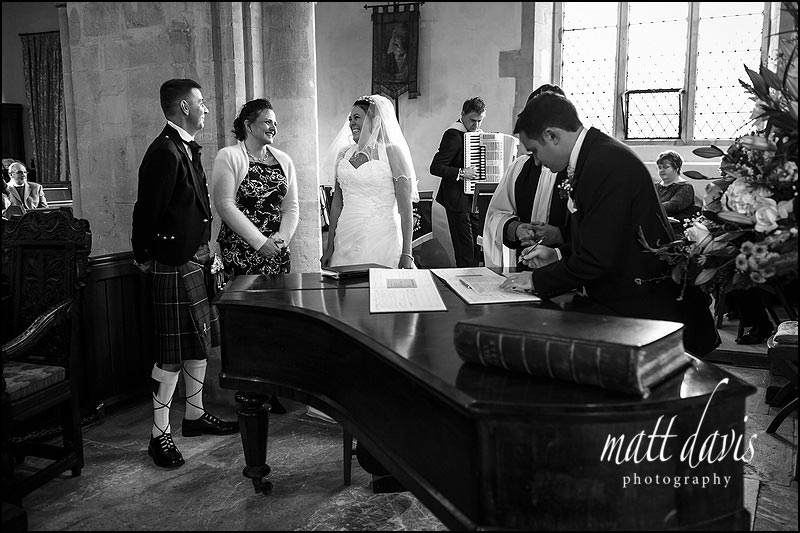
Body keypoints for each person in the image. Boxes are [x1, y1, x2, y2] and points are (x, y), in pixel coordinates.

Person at [499, 92, 719, 358]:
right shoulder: (594, 156)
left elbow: (597, 257)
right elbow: (603, 234)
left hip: (648, 310)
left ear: (552, 135)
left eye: (534, 151)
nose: (535, 161)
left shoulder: (604, 163)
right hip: (630, 302)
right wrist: (556, 254)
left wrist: (536, 280)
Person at [131, 78, 238, 469]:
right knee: (171, 355)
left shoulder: (183, 147)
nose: (205, 108)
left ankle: (194, 415)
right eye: (201, 102)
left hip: (195, 260)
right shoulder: (164, 151)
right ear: (183, 107)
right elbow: (146, 211)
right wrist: (144, 255)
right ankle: (158, 433)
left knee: (197, 345)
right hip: (174, 263)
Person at [210, 98, 299, 414]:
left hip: (276, 252)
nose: (274, 126)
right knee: (245, 321)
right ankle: (247, 388)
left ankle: (271, 386)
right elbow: (225, 204)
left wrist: (281, 239)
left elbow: (291, 207)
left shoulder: (283, 160)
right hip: (242, 251)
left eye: (275, 122)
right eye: (267, 121)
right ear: (248, 125)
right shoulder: (229, 156)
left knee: (274, 321)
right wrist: (259, 242)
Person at [320, 94, 418, 270]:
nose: (352, 123)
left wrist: (407, 253)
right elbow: (337, 204)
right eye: (350, 119)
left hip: (382, 237)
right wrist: (330, 247)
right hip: (345, 236)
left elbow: (405, 207)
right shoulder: (344, 154)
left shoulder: (392, 152)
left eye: (357, 117)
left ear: (375, 120)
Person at [483, 84, 569, 269]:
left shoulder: (578, 169)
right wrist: (516, 229)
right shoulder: (519, 167)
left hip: (567, 271)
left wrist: (559, 234)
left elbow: (597, 232)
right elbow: (495, 216)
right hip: (525, 270)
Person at [430, 97, 486, 267]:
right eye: (472, 120)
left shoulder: (479, 135)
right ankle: (462, 281)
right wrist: (461, 172)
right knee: (465, 251)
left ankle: (474, 280)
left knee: (476, 248)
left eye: (480, 121)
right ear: (462, 114)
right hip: (457, 201)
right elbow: (435, 167)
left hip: (475, 201)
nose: (476, 125)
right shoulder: (453, 135)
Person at [655, 150, 697, 221]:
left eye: (666, 167)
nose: (662, 170)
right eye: (660, 168)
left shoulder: (685, 187)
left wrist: (650, 208)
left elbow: (673, 206)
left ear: (676, 168)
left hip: (677, 225)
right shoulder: (655, 187)